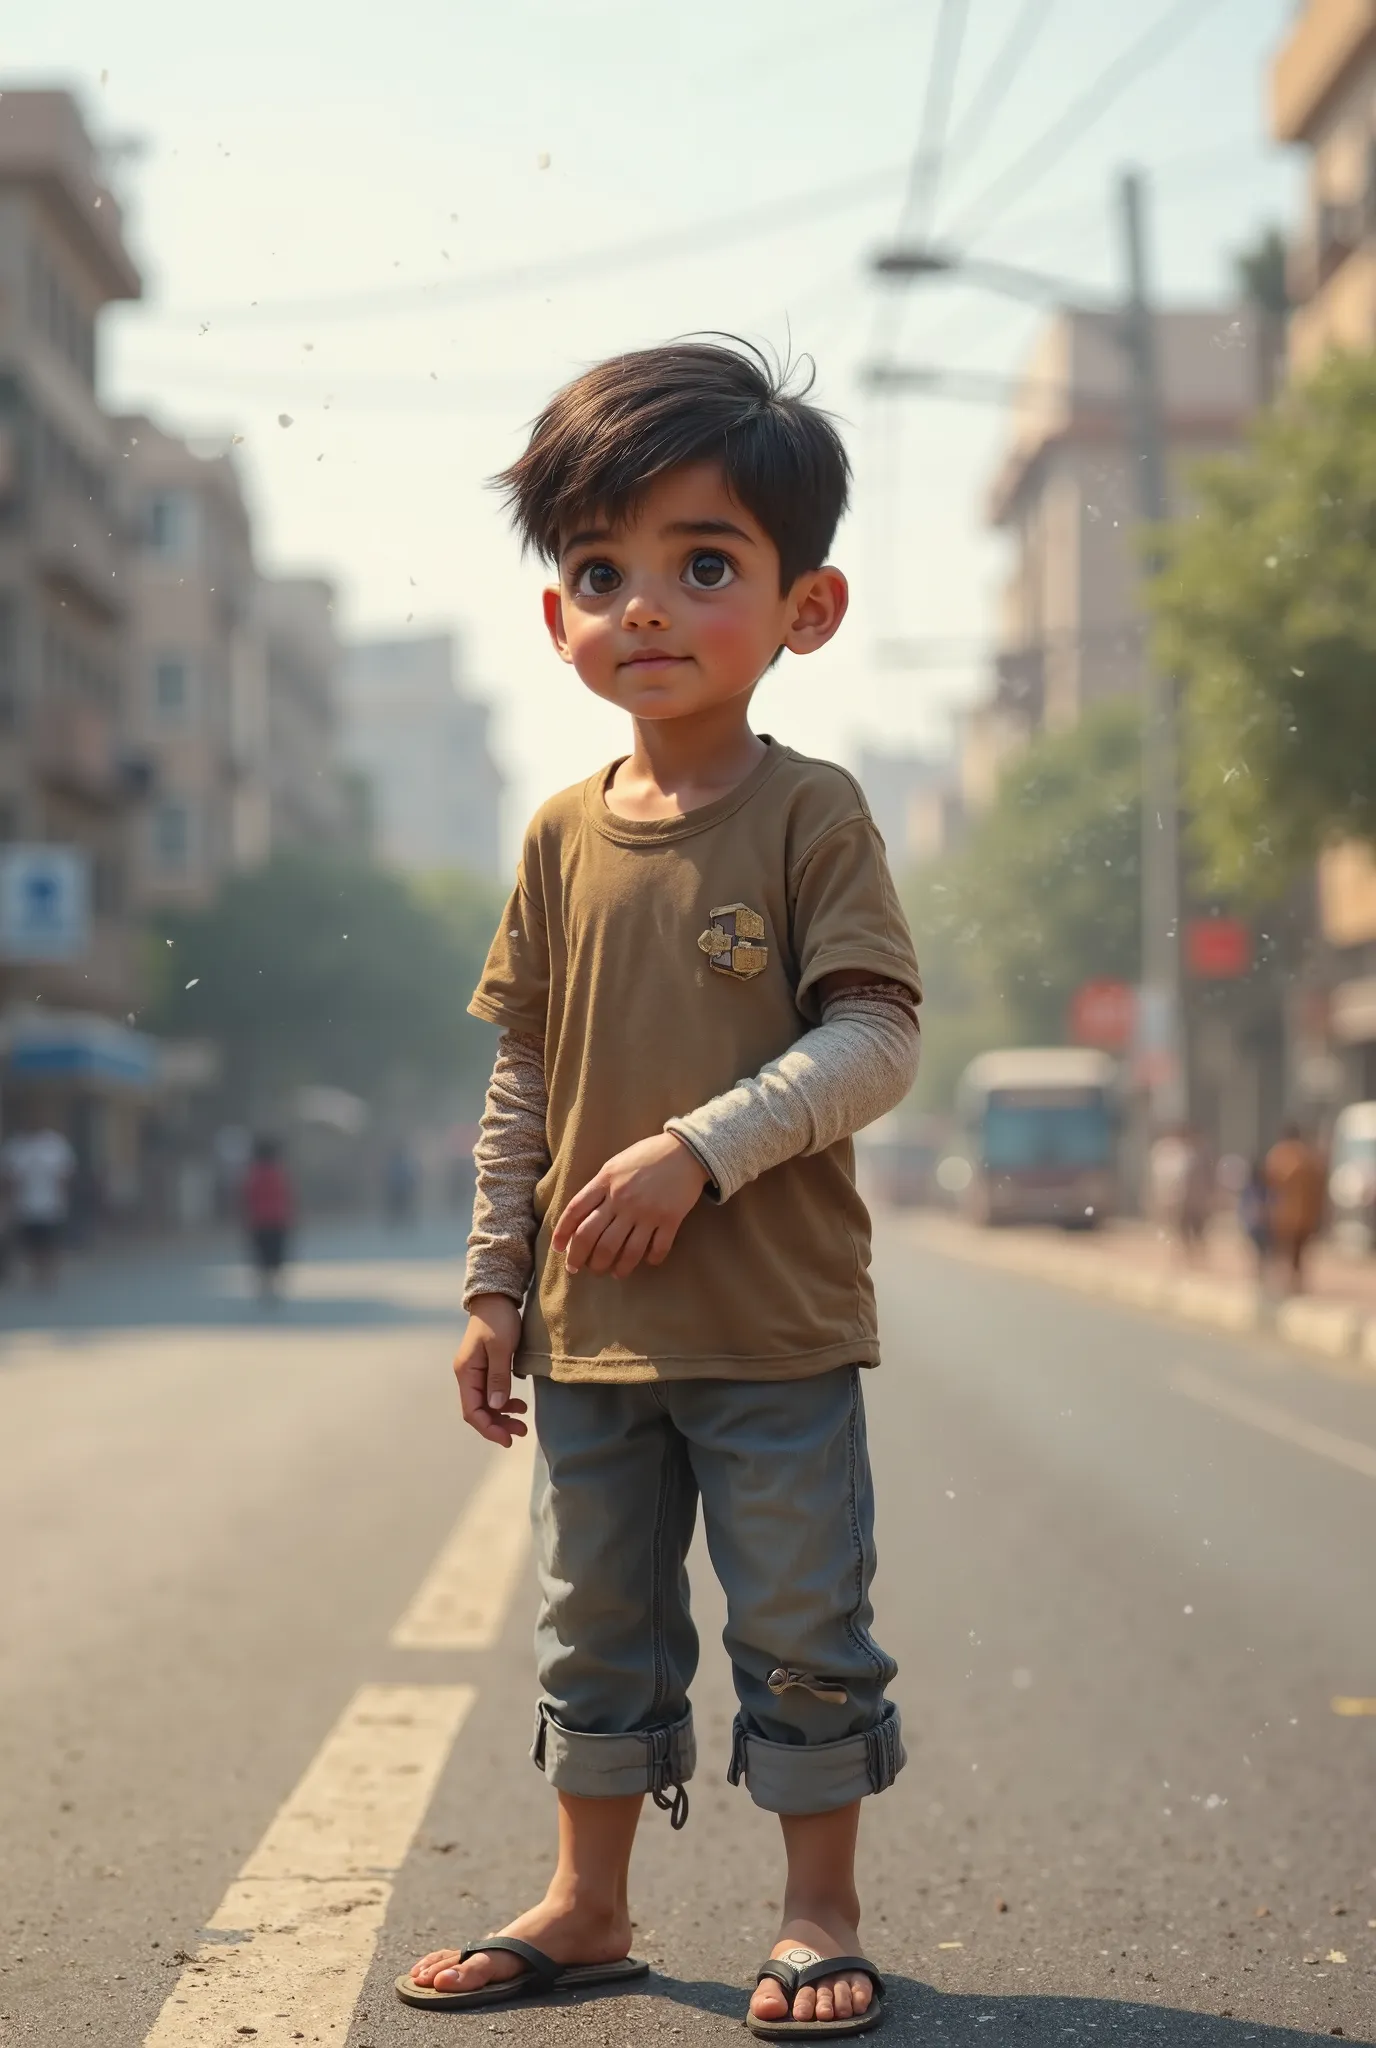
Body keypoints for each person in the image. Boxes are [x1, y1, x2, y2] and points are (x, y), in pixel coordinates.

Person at [400, 342, 922, 2039]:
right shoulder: (558, 835)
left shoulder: (810, 815)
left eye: (705, 564)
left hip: (772, 1329)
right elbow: (523, 1084)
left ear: (804, 607)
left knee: (799, 1626)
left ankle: (816, 1909)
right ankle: (589, 1899)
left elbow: (875, 1042)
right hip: (591, 1337)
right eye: (601, 572)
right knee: (592, 1627)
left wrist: (703, 1145)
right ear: (557, 618)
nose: (648, 606)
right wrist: (495, 1284)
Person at [0, 1114, 75, 1287]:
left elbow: (65, 1175)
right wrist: (8, 1204)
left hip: (51, 1205)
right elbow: (9, 1179)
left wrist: (64, 1200)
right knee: (31, 1245)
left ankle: (49, 1274)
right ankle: (37, 1275)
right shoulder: (16, 1146)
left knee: (50, 1243)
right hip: (25, 1206)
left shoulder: (54, 1144)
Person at [1265, 1122, 1326, 1293]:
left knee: (1286, 1250)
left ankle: (1290, 1282)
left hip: (1285, 1212)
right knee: (1298, 1250)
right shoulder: (1309, 1156)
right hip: (1306, 1213)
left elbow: (1272, 1180)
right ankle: (1296, 1281)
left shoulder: (1281, 1155)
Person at [241, 1137, 294, 1301]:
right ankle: (273, 1285)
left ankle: (265, 1285)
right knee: (275, 1255)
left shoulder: (253, 1175)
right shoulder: (279, 1174)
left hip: (259, 1222)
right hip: (277, 1221)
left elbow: (246, 1199)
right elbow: (288, 1198)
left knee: (262, 1255)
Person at [1238, 1156, 1271, 1278]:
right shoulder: (1252, 1188)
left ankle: (1259, 1270)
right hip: (1256, 1224)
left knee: (1261, 1250)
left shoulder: (1263, 1187)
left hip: (1260, 1224)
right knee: (1259, 1250)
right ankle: (1258, 1270)